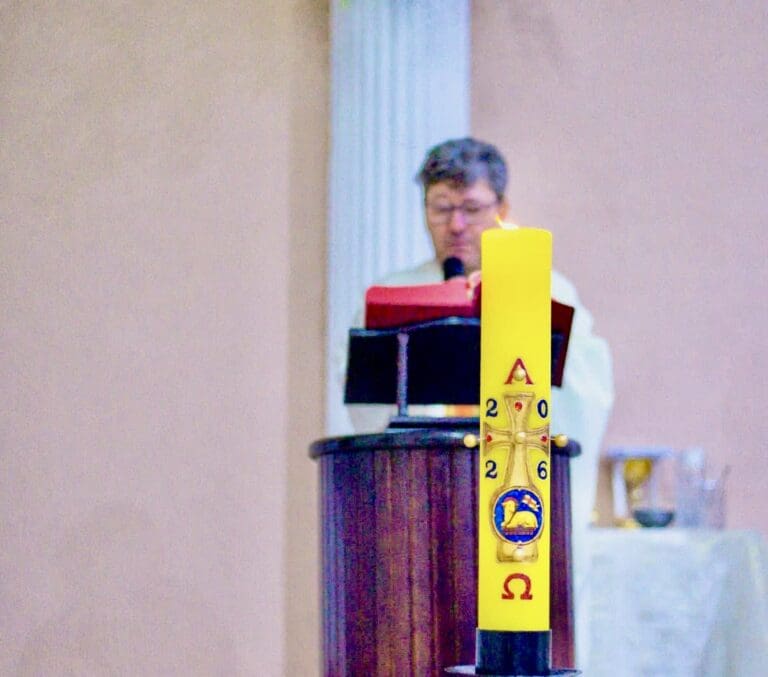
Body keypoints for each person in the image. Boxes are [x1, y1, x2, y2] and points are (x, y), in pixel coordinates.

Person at [345, 137, 614, 669]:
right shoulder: (395, 291)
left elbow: (585, 392)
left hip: (518, 494)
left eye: (471, 208)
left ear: (502, 208)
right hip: (426, 499)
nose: (456, 225)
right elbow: (365, 404)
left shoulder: (550, 291)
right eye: (441, 208)